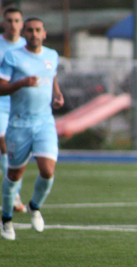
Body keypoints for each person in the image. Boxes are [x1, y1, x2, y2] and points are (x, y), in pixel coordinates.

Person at [0, 17, 63, 240]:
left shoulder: (52, 55)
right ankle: (6, 219)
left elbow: (52, 77)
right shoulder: (12, 56)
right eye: (30, 30)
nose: (34, 33)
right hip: (19, 123)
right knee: (15, 174)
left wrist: (57, 95)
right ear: (24, 34)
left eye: (38, 30)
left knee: (47, 170)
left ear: (44, 33)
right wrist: (22, 83)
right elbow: (1, 88)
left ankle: (34, 206)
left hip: (44, 121)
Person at [0, 8, 26, 213]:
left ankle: (13, 188)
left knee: (17, 150)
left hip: (19, 106)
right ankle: (14, 194)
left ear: (22, 23)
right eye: (9, 20)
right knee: (4, 145)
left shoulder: (27, 47)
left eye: (17, 20)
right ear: (4, 23)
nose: (13, 24)